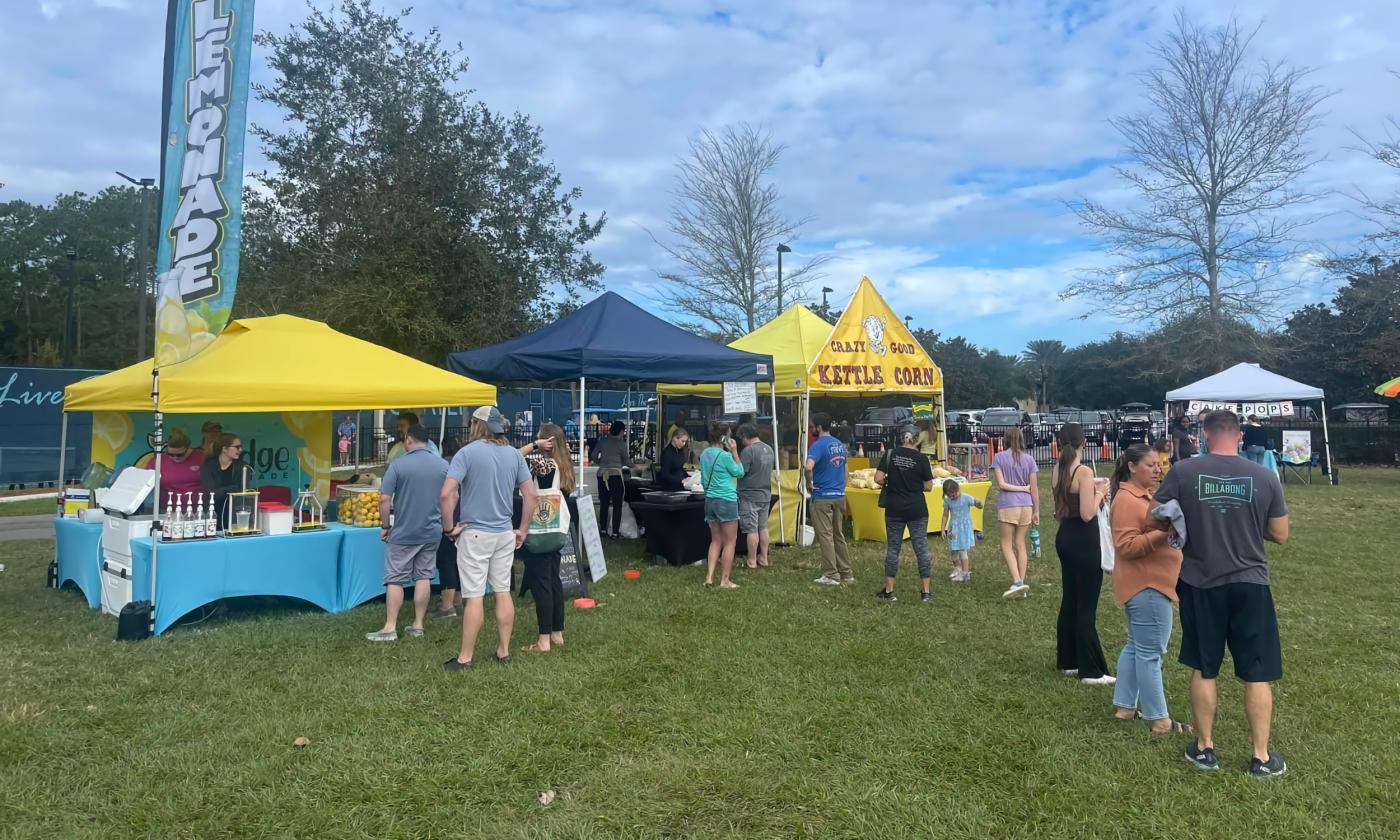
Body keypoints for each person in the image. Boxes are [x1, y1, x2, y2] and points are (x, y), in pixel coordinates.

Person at [1156, 410, 1289, 777]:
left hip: (1201, 582)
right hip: (1251, 583)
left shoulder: (1182, 473)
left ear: (1205, 434)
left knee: (1205, 667)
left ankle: (1204, 749)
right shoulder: (1265, 476)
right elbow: (1280, 534)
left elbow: (1159, 514)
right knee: (1257, 672)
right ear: (1240, 436)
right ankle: (1261, 757)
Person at [440, 406, 538, 672]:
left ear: (476, 425)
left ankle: (465, 658)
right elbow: (531, 495)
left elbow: (447, 494)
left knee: (474, 597)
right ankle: (503, 650)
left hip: (474, 534)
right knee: (503, 591)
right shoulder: (513, 455)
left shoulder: (466, 453)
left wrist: (449, 528)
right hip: (504, 532)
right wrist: (523, 529)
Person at [1108, 444, 1189, 734]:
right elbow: (1127, 546)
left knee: (1136, 646)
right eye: (1150, 465)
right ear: (1132, 467)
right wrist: (1164, 532)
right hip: (1147, 586)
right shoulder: (1129, 500)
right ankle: (1160, 719)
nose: (1158, 470)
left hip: (1145, 584)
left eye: (1159, 464)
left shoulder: (1143, 497)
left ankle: (1125, 706)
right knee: (1150, 652)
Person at [365, 424, 446, 643]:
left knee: (395, 578)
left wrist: (385, 525)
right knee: (424, 575)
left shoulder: (398, 465)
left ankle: (390, 627)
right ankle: (418, 624)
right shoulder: (442, 465)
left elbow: (384, 499)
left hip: (404, 531)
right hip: (432, 531)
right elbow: (450, 496)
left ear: (409, 440)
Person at [1052, 423, 1113, 685]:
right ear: (1083, 442)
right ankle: (1091, 670)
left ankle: (1069, 660)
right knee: (1087, 603)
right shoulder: (1084, 471)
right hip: (1085, 540)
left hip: (1065, 536)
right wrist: (1100, 492)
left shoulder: (1058, 469)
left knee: (1070, 599)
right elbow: (1088, 513)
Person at [518, 423, 575, 653]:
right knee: (554, 581)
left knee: (542, 584)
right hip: (556, 532)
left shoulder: (543, 464)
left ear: (547, 441)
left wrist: (534, 446)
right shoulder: (564, 464)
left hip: (538, 532)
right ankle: (556, 632)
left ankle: (543, 640)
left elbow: (512, 457)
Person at [873, 430, 934, 603]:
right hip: (917, 508)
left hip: (894, 508)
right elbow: (929, 486)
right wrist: (914, 484)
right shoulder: (922, 459)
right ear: (916, 440)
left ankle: (889, 591)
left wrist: (891, 482)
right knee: (921, 549)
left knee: (893, 549)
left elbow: (877, 478)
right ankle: (926, 593)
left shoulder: (890, 454)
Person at [991, 426, 1039, 599]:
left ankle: (1017, 581)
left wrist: (1020, 488)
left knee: (1006, 544)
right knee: (1020, 543)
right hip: (1026, 505)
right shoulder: (1030, 460)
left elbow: (1002, 484)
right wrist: (1036, 510)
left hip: (1008, 505)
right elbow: (1034, 488)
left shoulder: (999, 458)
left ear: (1006, 439)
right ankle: (1021, 581)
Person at [805, 413, 852, 586]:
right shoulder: (839, 444)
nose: (811, 429)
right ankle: (846, 572)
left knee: (825, 536)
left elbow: (808, 466)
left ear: (818, 427)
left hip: (822, 496)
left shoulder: (817, 446)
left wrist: (809, 483)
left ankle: (831, 574)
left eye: (812, 427)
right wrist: (841, 487)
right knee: (838, 535)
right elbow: (846, 469)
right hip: (839, 495)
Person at [699, 421, 744, 588]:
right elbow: (739, 472)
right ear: (725, 437)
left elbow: (704, 478)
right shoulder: (725, 456)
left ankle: (709, 577)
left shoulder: (704, 454)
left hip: (710, 500)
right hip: (726, 500)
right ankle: (725, 580)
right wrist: (735, 452)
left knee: (715, 540)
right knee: (730, 542)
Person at [432, 437, 463, 619]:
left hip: (448, 520)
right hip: (465, 520)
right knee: (459, 562)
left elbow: (444, 495)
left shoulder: (444, 467)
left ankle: (447, 605)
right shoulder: (464, 465)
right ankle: (458, 600)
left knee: (446, 562)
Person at [737, 424, 775, 570]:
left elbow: (741, 472)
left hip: (750, 495)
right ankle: (764, 557)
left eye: (742, 438)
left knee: (751, 530)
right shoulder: (769, 449)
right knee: (763, 527)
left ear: (745, 436)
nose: (742, 442)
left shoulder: (748, 451)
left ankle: (752, 560)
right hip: (765, 493)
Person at [199, 433, 243, 529]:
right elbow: (211, 493)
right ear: (224, 449)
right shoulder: (208, 466)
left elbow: (242, 492)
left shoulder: (243, 467)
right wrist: (233, 488)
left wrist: (225, 490)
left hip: (234, 515)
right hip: (212, 515)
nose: (240, 450)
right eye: (237, 447)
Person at [941, 479, 981, 583]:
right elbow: (945, 515)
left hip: (964, 530)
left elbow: (979, 506)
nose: (952, 496)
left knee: (962, 551)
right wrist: (942, 529)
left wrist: (978, 503)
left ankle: (965, 574)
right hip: (953, 529)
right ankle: (957, 568)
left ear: (957, 489)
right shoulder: (947, 500)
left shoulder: (966, 498)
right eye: (949, 494)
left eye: (954, 493)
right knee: (953, 551)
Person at [593, 420, 628, 539]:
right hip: (615, 474)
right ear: (622, 431)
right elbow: (626, 461)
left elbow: (593, 455)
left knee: (604, 503)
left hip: (602, 473)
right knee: (617, 504)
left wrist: (601, 463)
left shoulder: (602, 441)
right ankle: (615, 532)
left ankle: (603, 530)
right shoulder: (622, 444)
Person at [157, 428, 205, 499]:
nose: (175, 457)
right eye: (171, 454)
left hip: (198, 506)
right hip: (166, 507)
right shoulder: (158, 461)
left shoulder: (202, 457)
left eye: (180, 454)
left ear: (188, 448)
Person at [657, 427, 691, 492]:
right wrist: (680, 480)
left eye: (685, 442)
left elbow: (680, 468)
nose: (684, 444)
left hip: (681, 486)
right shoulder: (667, 453)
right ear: (675, 438)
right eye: (682, 441)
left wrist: (689, 477)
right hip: (671, 488)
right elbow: (665, 475)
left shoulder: (680, 452)